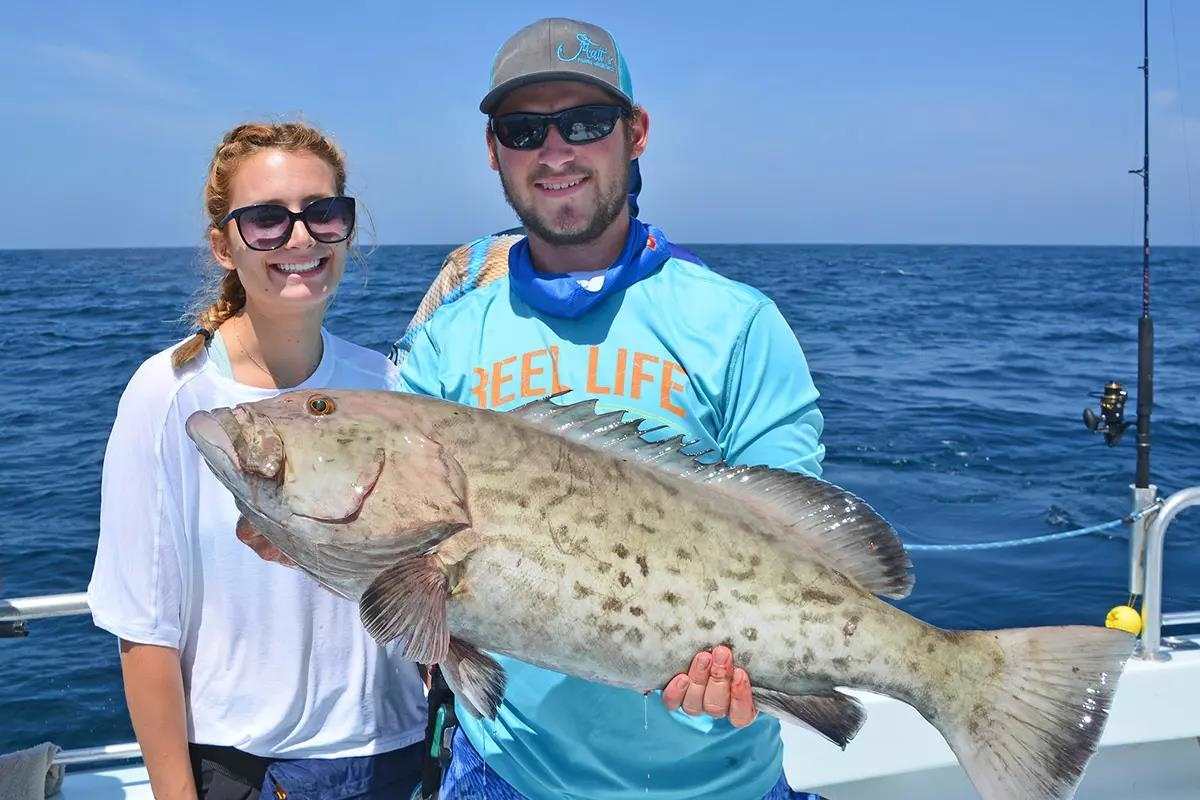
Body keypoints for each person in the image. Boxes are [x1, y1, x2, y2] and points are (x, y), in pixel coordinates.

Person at [391, 18, 828, 800]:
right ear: (493, 151)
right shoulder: (444, 346)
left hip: (722, 783)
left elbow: (798, 543)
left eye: (586, 124)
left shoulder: (738, 324)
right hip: (507, 776)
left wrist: (765, 672)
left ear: (636, 134)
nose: (555, 153)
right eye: (524, 130)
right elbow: (401, 566)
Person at [87, 122, 427, 800]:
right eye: (267, 220)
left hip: (397, 753)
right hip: (248, 770)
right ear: (223, 245)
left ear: (346, 229)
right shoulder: (170, 395)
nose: (299, 239)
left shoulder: (385, 383)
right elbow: (145, 631)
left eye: (322, 213)